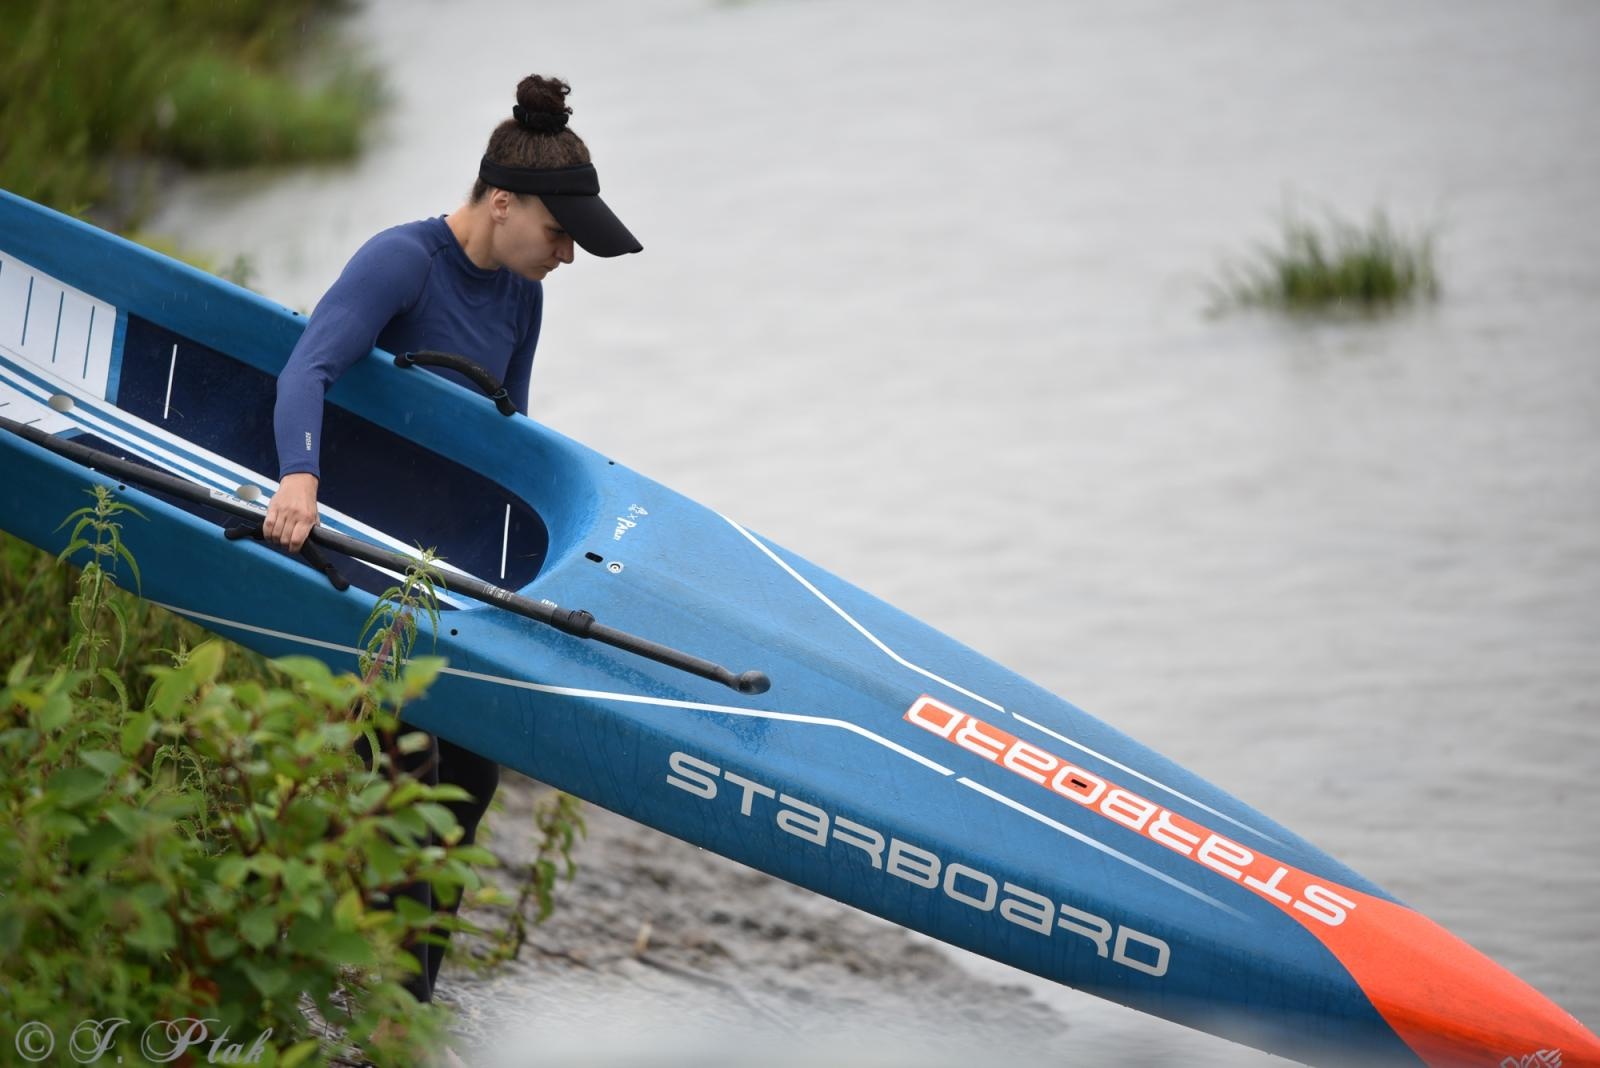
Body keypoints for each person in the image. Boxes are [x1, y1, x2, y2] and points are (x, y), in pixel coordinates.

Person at [262, 73, 641, 1006]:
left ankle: (397, 1000)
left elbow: (505, 445)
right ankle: (386, 1004)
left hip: (454, 584)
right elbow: (306, 368)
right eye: (559, 234)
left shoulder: (522, 296)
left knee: (466, 784)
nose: (567, 255)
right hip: (363, 564)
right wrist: (299, 479)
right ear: (501, 202)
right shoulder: (403, 262)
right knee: (406, 780)